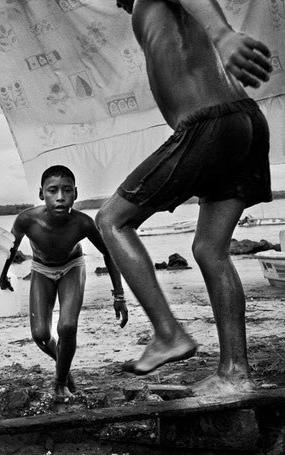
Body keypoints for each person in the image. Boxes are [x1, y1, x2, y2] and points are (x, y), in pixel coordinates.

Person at [96, 0, 273, 395]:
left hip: (209, 124)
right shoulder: (149, 13)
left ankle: (167, 333)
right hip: (243, 121)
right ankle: (235, 372)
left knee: (111, 220)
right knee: (211, 249)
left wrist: (223, 33)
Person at [0, 165, 128, 398]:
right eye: (52, 191)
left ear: (75, 194)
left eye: (67, 191)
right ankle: (65, 368)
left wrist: (118, 296)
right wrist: (1, 276)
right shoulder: (27, 220)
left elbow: (110, 253)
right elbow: (10, 248)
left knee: (67, 326)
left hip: (71, 267)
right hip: (41, 269)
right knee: (40, 335)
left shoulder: (83, 223)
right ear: (41, 194)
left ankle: (60, 383)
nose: (60, 197)